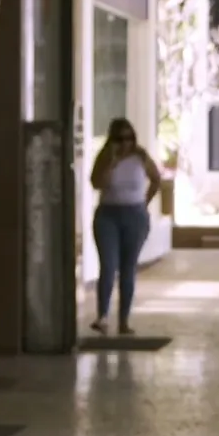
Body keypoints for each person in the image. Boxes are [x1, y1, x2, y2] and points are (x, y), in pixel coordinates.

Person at [88, 118, 160, 336]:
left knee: (128, 269)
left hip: (135, 216)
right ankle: (102, 316)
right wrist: (112, 161)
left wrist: (144, 203)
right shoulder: (105, 157)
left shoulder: (141, 157)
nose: (125, 143)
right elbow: (96, 183)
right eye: (119, 139)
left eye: (129, 138)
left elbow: (156, 179)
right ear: (111, 140)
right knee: (108, 266)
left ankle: (124, 321)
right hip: (107, 216)